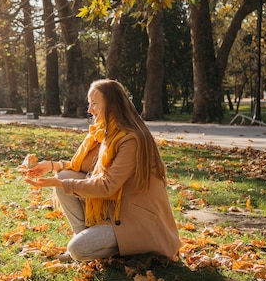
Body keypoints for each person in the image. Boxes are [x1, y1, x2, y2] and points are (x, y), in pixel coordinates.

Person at [25, 79, 181, 262]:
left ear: (112, 105)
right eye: (89, 103)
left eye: (95, 103)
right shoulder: (106, 131)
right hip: (114, 209)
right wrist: (53, 166)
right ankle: (89, 241)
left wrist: (60, 183)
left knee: (77, 249)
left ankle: (124, 249)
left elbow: (107, 186)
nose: (89, 109)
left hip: (136, 220)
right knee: (65, 177)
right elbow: (83, 166)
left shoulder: (131, 139)